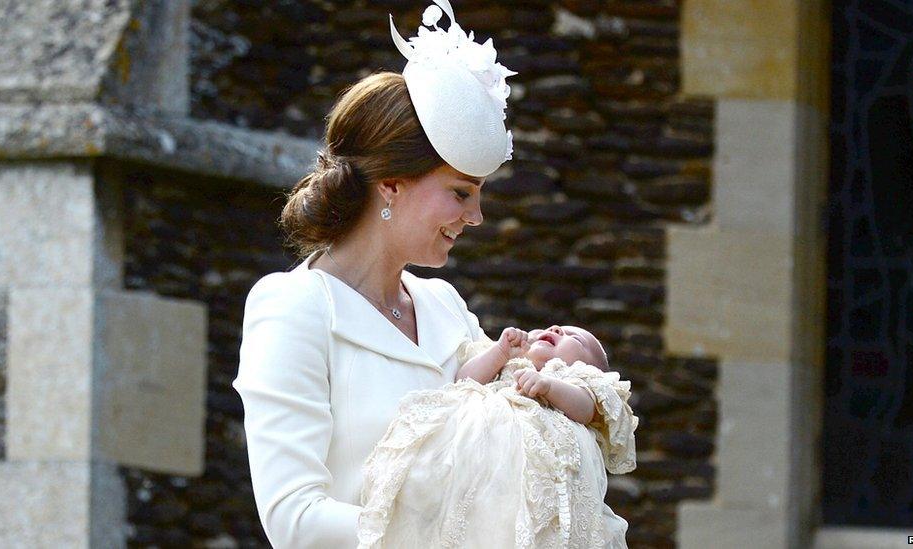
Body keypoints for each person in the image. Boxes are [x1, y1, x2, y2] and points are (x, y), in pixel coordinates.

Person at [232, 1, 517, 547]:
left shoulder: (445, 307)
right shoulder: (294, 307)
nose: (476, 217)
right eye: (461, 193)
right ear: (391, 184)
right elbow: (294, 518)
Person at [357, 325, 638, 548]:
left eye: (575, 338)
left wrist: (549, 386)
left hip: (529, 476)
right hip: (473, 461)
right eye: (553, 327)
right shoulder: (511, 364)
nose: (556, 328)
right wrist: (499, 352)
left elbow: (585, 408)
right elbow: (463, 379)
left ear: (588, 366)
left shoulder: (575, 380)